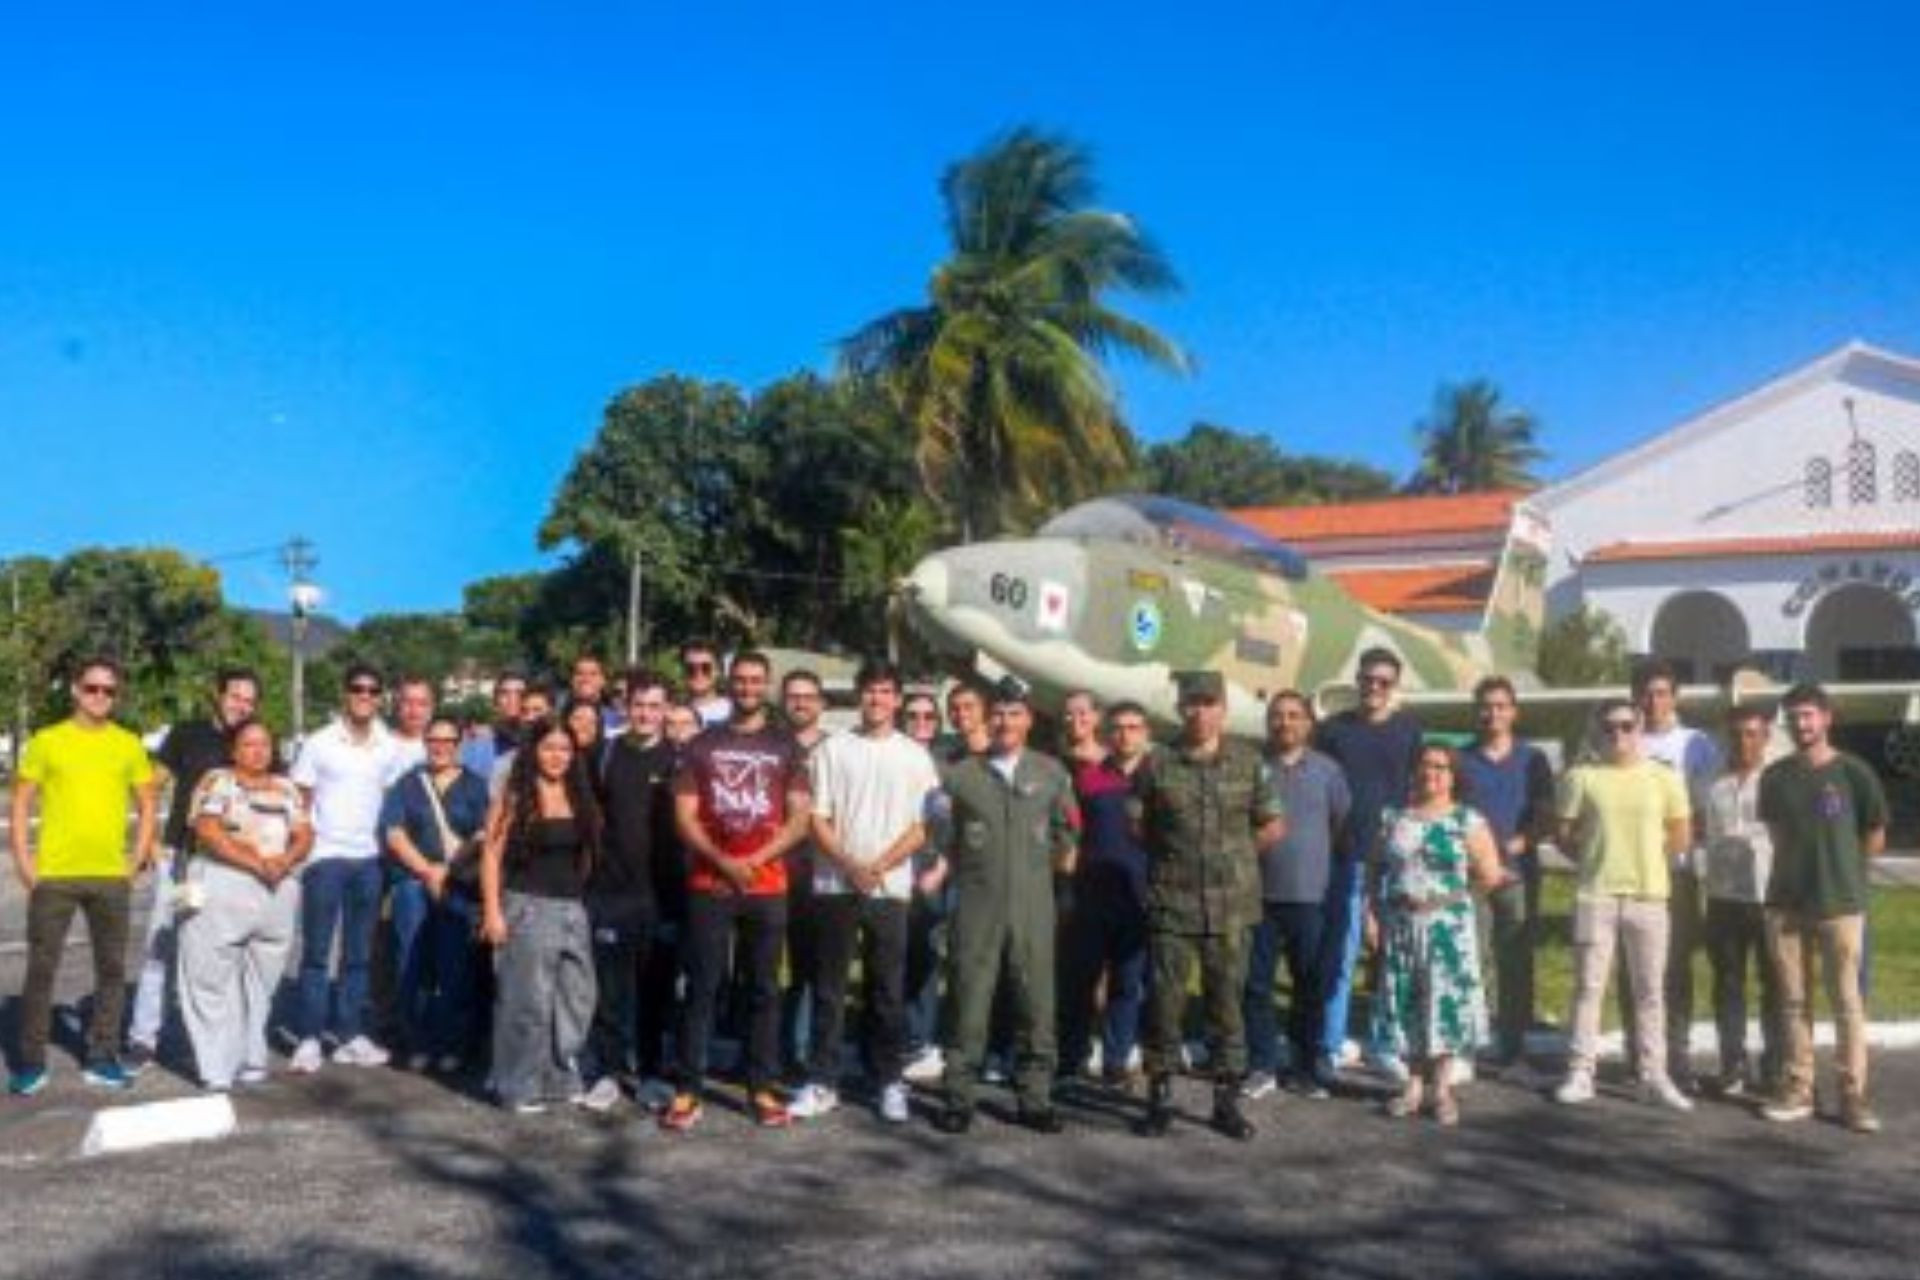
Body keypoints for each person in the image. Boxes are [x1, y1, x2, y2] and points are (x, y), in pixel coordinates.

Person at [1135, 671, 1286, 1141]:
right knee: (1165, 1001)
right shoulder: (1157, 763)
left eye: (1208, 703)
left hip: (1231, 908)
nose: (1200, 712)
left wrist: (1232, 860)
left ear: (1223, 708)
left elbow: (1272, 824)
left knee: (1227, 1006)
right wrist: (1179, 860)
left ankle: (1226, 1101)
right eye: (1191, 704)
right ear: (1180, 709)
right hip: (1172, 904)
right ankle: (1159, 1096)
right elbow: (1137, 826)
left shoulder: (1248, 762)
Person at [664, 651, 812, 1132]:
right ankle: (688, 1087)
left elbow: (800, 817)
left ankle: (761, 1088)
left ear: (766, 687)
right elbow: (684, 816)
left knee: (764, 989)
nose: (747, 688)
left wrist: (756, 858)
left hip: (767, 885)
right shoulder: (702, 745)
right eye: (740, 680)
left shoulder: (786, 746)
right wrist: (724, 860)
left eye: (756, 681)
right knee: (702, 986)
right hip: (710, 882)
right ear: (729, 685)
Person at [790, 660, 939, 1125]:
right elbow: (817, 818)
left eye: (885, 691)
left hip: (889, 889)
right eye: (870, 691)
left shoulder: (915, 755)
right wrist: (851, 864)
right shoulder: (834, 748)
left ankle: (888, 1082)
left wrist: (878, 866)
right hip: (836, 884)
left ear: (897, 699)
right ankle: (823, 1081)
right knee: (830, 989)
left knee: (886, 990)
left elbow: (922, 826)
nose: (877, 699)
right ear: (860, 697)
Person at [932, 678, 1078, 1136]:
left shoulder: (1051, 773)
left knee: (1037, 1003)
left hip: (1034, 907)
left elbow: (1067, 835)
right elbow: (944, 840)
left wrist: (1036, 872)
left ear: (1030, 720)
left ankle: (1035, 1097)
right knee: (968, 1000)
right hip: (977, 906)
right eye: (997, 713)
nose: (1005, 722)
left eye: (1015, 713)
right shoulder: (960, 777)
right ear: (985, 718)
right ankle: (958, 1096)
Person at [8, 657, 159, 1095]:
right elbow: (21, 802)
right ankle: (31, 1062)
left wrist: (134, 860)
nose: (100, 697)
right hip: (54, 876)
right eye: (92, 688)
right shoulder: (47, 741)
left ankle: (100, 1054)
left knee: (111, 971)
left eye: (109, 691)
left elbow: (148, 802)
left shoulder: (128, 744)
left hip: (111, 877)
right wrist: (23, 860)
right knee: (41, 971)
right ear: (75, 689)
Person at [1758, 683, 1889, 1133]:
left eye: (1809, 715)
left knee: (1847, 1003)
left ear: (1827, 718)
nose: (1801, 724)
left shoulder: (1855, 773)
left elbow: (1874, 835)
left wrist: (1844, 871)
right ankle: (1799, 1088)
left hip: (1840, 906)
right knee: (1793, 1004)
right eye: (1794, 716)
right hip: (1786, 905)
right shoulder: (1774, 778)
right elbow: (1778, 836)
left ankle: (1853, 1097)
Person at [1552, 699, 1694, 1111]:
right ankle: (1580, 1072)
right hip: (1595, 896)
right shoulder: (1582, 777)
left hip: (1649, 897)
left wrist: (1647, 860)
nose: (1619, 735)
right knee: (1588, 989)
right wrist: (1593, 861)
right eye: (1609, 728)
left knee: (1650, 992)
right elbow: (1563, 833)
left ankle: (1653, 1075)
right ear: (1598, 731)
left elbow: (1681, 835)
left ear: (1641, 727)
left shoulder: (1664, 778)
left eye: (1627, 726)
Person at [128, 664, 260, 1074]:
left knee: (223, 954)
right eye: (235, 696)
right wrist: (149, 840)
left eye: (250, 700)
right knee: (161, 948)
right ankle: (142, 1037)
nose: (242, 705)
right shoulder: (187, 732)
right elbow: (153, 784)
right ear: (218, 694)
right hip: (182, 859)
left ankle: (217, 1037)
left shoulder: (253, 740)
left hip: (232, 864)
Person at [1366, 744, 1502, 1125]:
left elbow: (1490, 874)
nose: (1432, 773)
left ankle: (1441, 1091)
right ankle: (1411, 1087)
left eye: (1441, 767)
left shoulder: (1467, 820)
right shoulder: (1393, 818)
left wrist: (1449, 898)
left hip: (1448, 927)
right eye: (1425, 766)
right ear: (1414, 771)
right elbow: (1374, 867)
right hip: (1401, 923)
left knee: (1445, 1005)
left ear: (1453, 775)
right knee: (1406, 1000)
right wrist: (1371, 914)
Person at [287, 664, 410, 1073]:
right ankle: (307, 1037)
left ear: (381, 698)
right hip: (325, 859)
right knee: (317, 954)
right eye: (358, 688)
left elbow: (393, 799)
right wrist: (300, 851)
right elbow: (299, 798)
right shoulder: (319, 743)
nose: (365, 695)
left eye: (373, 690)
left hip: (369, 861)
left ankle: (349, 1033)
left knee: (358, 956)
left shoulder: (388, 746)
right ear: (345, 694)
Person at [179, 720, 312, 1091]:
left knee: (261, 985)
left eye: (265, 744)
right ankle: (216, 1067)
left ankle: (251, 1058)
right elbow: (207, 829)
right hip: (225, 884)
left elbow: (305, 833)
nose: (258, 751)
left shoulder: (286, 787)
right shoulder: (218, 780)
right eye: (249, 744)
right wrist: (256, 863)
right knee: (209, 979)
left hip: (277, 891)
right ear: (233, 749)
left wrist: (285, 861)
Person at [1313, 649, 1422, 1091]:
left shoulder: (1409, 730)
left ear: (1394, 686)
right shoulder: (1334, 730)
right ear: (1356, 681)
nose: (1374, 688)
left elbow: (1420, 789)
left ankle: (1386, 1044)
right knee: (1341, 954)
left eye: (1383, 681)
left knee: (1395, 958)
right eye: (1367, 679)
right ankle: (1332, 1042)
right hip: (1347, 858)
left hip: (1397, 860)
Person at [479, 718, 601, 1112]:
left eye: (565, 748)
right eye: (549, 747)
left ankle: (556, 1078)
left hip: (571, 909)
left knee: (575, 997)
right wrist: (493, 912)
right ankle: (516, 1086)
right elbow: (491, 856)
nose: (557, 756)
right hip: (527, 907)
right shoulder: (515, 795)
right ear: (533, 750)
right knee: (526, 1004)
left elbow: (585, 856)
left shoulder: (579, 793)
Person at [1241, 690, 1350, 1101]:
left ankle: (1305, 1068)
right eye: (1277, 716)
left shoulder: (1328, 772)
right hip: (1259, 898)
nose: (1285, 723)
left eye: (1294, 715)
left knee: (1309, 985)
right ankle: (1262, 1065)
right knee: (1256, 986)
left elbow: (1339, 827)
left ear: (1308, 723)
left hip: (1310, 898)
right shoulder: (1253, 768)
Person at [579, 672, 680, 1111]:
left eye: (655, 706)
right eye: (639, 705)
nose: (645, 714)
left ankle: (652, 1072)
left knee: (655, 990)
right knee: (610, 990)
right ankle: (605, 1070)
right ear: (625, 706)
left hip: (660, 897)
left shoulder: (680, 760)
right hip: (610, 893)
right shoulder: (602, 754)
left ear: (666, 711)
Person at [1622, 661, 1720, 1091]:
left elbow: (1707, 810)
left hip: (1675, 875)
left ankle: (1677, 1058)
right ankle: (1637, 1055)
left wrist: (1671, 846)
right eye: (1646, 692)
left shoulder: (1695, 744)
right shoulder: (1622, 738)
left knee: (1675, 969)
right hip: (1626, 877)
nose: (1654, 700)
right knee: (1632, 971)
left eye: (1662, 692)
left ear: (1675, 697)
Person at [381, 714, 490, 1072]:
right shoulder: (407, 783)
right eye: (433, 741)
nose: (440, 747)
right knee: (411, 962)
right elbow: (394, 832)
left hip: (459, 886)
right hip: (413, 883)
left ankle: (452, 1043)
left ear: (460, 745)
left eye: (448, 741)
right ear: (425, 743)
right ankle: (416, 1041)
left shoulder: (476, 786)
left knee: (454, 965)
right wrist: (427, 870)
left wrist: (449, 870)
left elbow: (482, 835)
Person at [1457, 676, 1556, 1072]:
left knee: (1516, 959)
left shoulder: (1534, 760)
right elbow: (1452, 812)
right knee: (1471, 959)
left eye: (1501, 705)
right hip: (1472, 875)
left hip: (1518, 872)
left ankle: (1513, 1046)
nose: (1493, 713)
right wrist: (1474, 857)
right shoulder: (1461, 759)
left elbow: (1546, 815)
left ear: (1514, 712)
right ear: (1476, 711)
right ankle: (1470, 1043)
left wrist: (1519, 844)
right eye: (1486, 705)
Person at [1060, 699, 1155, 1090]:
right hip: (1091, 897)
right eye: (1118, 727)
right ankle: (1071, 1059)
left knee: (1127, 984)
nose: (1125, 734)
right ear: (1108, 732)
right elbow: (1071, 835)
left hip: (1139, 897)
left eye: (1133, 727)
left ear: (1146, 733)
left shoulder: (1160, 778)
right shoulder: (1089, 777)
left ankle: (1116, 1060)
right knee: (1079, 982)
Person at [1700, 706, 1784, 1099]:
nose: (1744, 742)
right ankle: (1732, 1064)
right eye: (1736, 735)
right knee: (1728, 984)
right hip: (1723, 899)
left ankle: (1775, 1067)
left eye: (1752, 734)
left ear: (1766, 738)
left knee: (1776, 986)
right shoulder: (1712, 784)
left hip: (1770, 898)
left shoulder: (1779, 781)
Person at [778, 668, 830, 1080]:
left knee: (810, 966)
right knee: (758, 965)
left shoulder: (838, 749)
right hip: (770, 868)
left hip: (819, 871)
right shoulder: (770, 746)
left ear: (821, 703)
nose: (800, 702)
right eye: (793, 696)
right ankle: (760, 1048)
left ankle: (802, 1051)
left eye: (808, 696)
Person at [900, 690, 952, 1081]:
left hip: (933, 871)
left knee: (925, 960)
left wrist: (941, 870)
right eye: (913, 715)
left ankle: (922, 1041)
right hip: (890, 868)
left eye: (928, 717)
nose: (921, 722)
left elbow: (961, 828)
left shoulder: (949, 767)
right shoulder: (890, 755)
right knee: (887, 959)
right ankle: (891, 1038)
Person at [460, 672, 525, 778]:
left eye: (520, 693)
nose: (512, 699)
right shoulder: (477, 742)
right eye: (504, 693)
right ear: (495, 701)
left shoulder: (540, 741)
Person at [680, 640, 733, 729]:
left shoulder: (733, 713)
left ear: (718, 671)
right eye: (690, 668)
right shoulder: (673, 713)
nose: (698, 674)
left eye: (706, 668)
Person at [570, 653, 625, 733]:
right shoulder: (559, 718)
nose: (585, 679)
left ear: (603, 680)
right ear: (572, 679)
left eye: (593, 674)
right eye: (579, 673)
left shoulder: (616, 722)